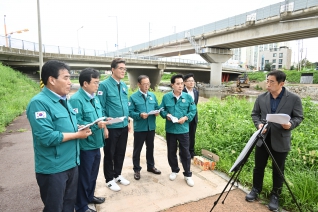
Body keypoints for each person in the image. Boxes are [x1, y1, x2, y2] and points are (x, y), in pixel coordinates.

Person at [26, 60, 92, 212]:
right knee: (54, 208)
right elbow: (46, 137)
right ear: (52, 80)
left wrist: (78, 127)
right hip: (54, 169)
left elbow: (63, 125)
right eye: (66, 78)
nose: (70, 82)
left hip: (72, 163)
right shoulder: (39, 103)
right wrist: (77, 134)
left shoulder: (64, 100)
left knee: (69, 205)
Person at [246, 70, 303, 211]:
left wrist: (290, 125)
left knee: (278, 170)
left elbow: (298, 117)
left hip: (281, 139)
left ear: (281, 83)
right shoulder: (261, 97)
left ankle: (275, 196)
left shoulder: (293, 99)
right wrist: (259, 124)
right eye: (267, 81)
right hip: (262, 139)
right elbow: (255, 114)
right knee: (258, 167)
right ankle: (256, 189)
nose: (268, 84)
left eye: (272, 82)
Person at [69, 68, 109, 212]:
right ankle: (81, 206)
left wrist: (105, 125)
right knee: (84, 177)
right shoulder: (75, 100)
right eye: (95, 82)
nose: (98, 85)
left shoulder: (94, 97)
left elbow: (100, 114)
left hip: (96, 143)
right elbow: (76, 123)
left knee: (93, 175)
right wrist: (97, 125)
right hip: (85, 146)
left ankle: (90, 196)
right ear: (85, 83)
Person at [97, 58, 131, 192]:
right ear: (113, 69)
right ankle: (109, 179)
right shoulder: (104, 85)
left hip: (123, 125)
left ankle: (117, 175)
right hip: (111, 127)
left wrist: (127, 121)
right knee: (109, 154)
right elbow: (100, 106)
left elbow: (125, 105)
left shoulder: (123, 85)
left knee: (120, 152)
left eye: (124, 69)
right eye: (120, 68)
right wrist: (105, 125)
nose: (123, 71)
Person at [160, 74, 196, 187]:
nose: (180, 86)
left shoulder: (188, 97)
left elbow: (193, 111)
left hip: (183, 129)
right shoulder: (166, 97)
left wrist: (185, 118)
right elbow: (162, 110)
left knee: (185, 152)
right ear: (172, 85)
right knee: (171, 152)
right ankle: (174, 170)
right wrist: (167, 116)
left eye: (181, 83)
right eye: (178, 84)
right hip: (171, 129)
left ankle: (187, 174)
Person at [128, 75, 161, 180]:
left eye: (148, 84)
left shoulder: (152, 95)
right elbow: (130, 112)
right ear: (139, 84)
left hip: (151, 127)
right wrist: (139, 115)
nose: (147, 86)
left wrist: (157, 112)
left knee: (150, 148)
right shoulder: (133, 97)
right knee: (137, 149)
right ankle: (136, 169)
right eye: (144, 84)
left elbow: (157, 107)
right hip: (140, 128)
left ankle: (151, 166)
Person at [182, 73, 199, 158]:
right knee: (184, 136)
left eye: (193, 81)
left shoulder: (196, 92)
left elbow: (195, 105)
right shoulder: (182, 92)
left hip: (193, 117)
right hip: (184, 117)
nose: (191, 83)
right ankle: (184, 153)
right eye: (189, 81)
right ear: (184, 83)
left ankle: (191, 152)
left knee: (192, 135)